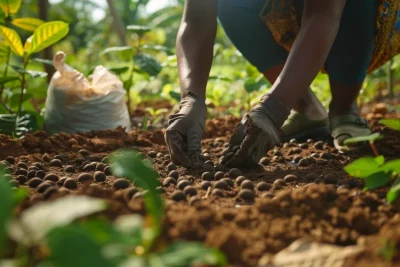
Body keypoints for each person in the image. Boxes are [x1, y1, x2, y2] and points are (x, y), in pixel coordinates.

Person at [165, 0, 400, 168]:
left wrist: (272, 109)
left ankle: (344, 108)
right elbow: (195, 19)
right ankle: (307, 108)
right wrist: (191, 99)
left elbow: (323, 14)